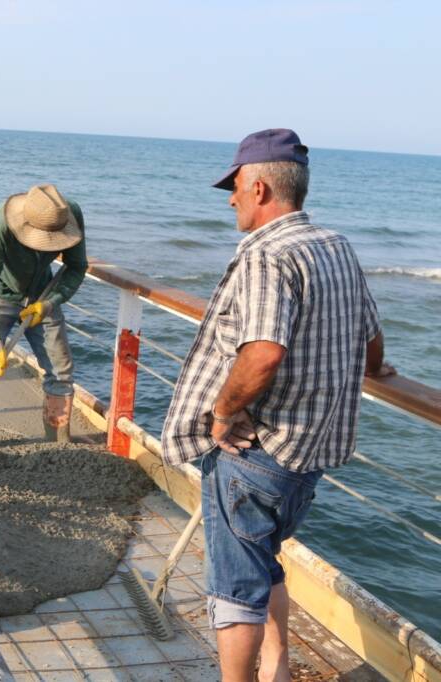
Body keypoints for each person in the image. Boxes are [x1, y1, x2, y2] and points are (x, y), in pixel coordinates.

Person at [161, 129, 395, 682]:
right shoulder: (335, 245)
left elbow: (263, 354)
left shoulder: (267, 255)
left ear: (260, 187)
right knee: (265, 562)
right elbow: (372, 336)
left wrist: (220, 414)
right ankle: (278, 667)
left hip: (255, 452)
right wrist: (374, 370)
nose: (230, 198)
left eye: (236, 187)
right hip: (307, 455)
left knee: (235, 588)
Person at [0, 184, 88, 449]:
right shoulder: (1, 224)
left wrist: (51, 303)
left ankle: (58, 448)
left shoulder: (69, 215)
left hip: (42, 296)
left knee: (61, 370)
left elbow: (77, 267)